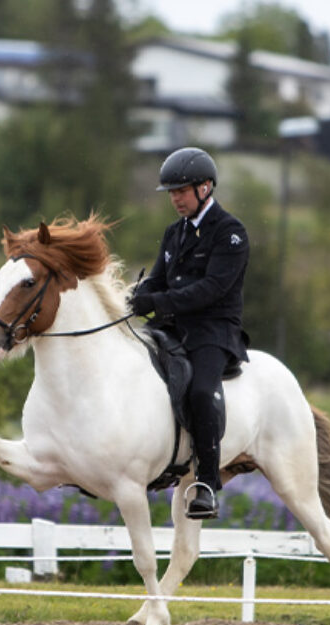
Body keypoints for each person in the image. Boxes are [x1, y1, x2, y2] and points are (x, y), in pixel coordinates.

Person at [128, 147, 249, 520]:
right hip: (173, 326)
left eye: (182, 191)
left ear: (206, 188)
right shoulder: (174, 233)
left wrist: (159, 300)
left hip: (213, 329)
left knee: (199, 391)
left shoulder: (230, 233)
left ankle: (208, 485)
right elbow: (159, 280)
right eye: (172, 193)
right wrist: (136, 296)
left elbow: (210, 289)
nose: (176, 199)